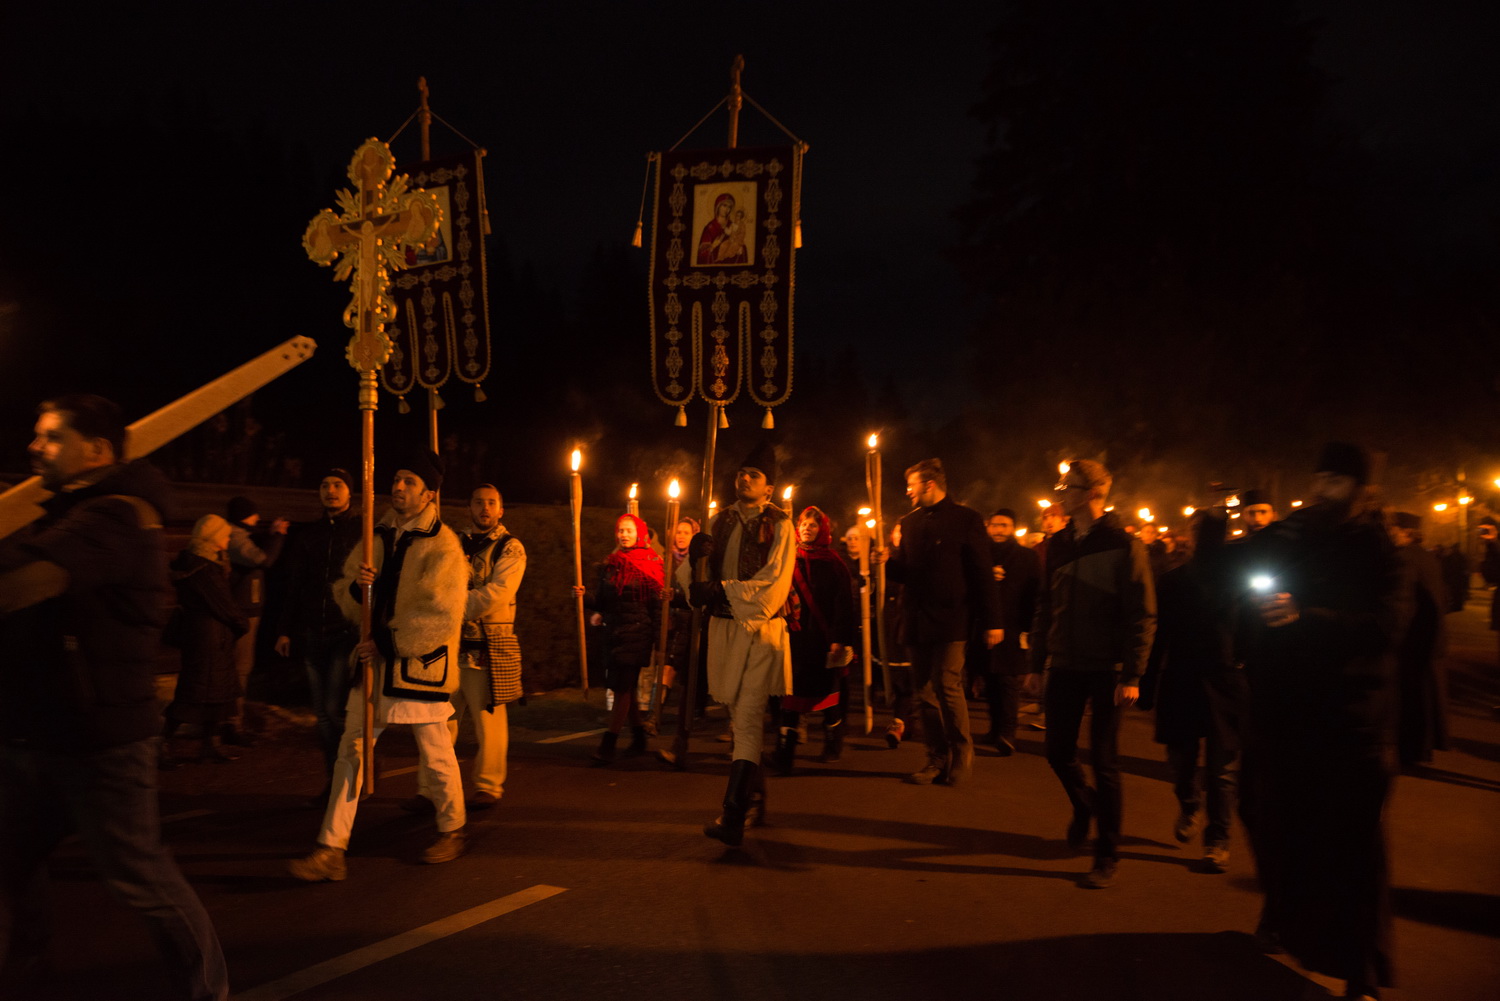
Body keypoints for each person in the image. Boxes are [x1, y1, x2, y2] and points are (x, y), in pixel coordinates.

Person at [0, 394, 228, 1000]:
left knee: (142, 879)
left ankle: (208, 991)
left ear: (97, 450)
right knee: (11, 857)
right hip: (42, 732)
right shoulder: (75, 511)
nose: (34, 446)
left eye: (51, 436)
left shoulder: (117, 518)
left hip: (101, 742)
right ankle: (27, 967)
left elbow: (25, 584)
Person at [1237, 443, 1405, 1000]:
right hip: (1290, 715)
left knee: (1356, 850)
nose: (1323, 488)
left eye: (1336, 480)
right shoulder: (1296, 536)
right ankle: (1288, 922)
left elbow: (1384, 627)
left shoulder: (1381, 549)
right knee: (1276, 822)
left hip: (1354, 720)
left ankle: (1364, 973)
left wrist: (1306, 618)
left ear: (1362, 489)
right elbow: (1241, 584)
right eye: (1320, 477)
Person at [289, 450, 470, 881]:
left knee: (436, 751)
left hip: (417, 666)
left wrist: (387, 643)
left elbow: (440, 613)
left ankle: (453, 827)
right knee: (351, 753)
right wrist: (357, 588)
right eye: (398, 479)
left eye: (410, 481)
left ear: (429, 493)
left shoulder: (443, 544)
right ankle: (331, 848)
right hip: (374, 666)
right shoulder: (377, 533)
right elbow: (347, 593)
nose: (400, 487)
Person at [1028, 459, 1156, 889]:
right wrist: (1036, 663)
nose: (1060, 492)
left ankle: (1108, 854)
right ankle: (1085, 806)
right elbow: (1046, 606)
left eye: (1068, 486)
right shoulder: (1059, 543)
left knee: (1105, 760)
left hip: (1108, 669)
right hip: (1065, 663)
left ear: (1091, 493)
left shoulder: (1123, 544)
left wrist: (1133, 674)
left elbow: (1143, 614)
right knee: (1056, 750)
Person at [683, 443, 796, 846]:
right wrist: (692, 557)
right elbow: (692, 582)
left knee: (747, 719)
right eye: (741, 472)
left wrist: (721, 590)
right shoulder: (718, 520)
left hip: (760, 631)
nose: (744, 478)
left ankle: (732, 814)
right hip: (724, 630)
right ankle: (754, 799)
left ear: (769, 488)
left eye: (754, 474)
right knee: (738, 719)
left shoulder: (781, 525)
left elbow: (774, 585)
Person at [873, 459, 1003, 787]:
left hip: (952, 617)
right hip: (917, 618)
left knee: (946, 684)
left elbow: (981, 572)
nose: (907, 491)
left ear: (929, 484)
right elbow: (907, 572)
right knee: (923, 692)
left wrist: (992, 620)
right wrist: (886, 562)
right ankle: (935, 757)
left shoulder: (967, 519)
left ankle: (962, 752)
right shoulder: (910, 521)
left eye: (912, 484)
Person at [1139, 509, 1245, 873]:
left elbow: (1254, 634)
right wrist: (1146, 683)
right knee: (1182, 762)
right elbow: (1158, 637)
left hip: (1226, 682)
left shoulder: (1241, 582)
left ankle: (1218, 839)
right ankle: (1189, 803)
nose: (1203, 537)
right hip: (1182, 680)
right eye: (1198, 530)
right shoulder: (1174, 580)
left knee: (1222, 771)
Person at [272, 469, 361, 798]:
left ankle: (351, 773)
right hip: (312, 631)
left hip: (344, 631)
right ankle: (334, 778)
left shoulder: (361, 531)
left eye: (338, 485)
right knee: (322, 715)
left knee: (334, 709)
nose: (331, 491)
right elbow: (293, 587)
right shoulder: (309, 536)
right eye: (324, 485)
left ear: (350, 493)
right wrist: (284, 630)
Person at [448, 484, 526, 808]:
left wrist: (452, 605)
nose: (485, 508)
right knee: (440, 718)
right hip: (450, 643)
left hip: (487, 643)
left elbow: (499, 593)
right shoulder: (453, 543)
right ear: (469, 506)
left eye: (491, 503)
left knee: (487, 719)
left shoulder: (511, 548)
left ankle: (488, 785)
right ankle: (433, 786)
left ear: (501, 509)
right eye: (478, 502)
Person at [576, 513, 664, 765]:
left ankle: (608, 745)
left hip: (637, 633)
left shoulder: (651, 562)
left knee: (623, 688)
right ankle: (638, 738)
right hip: (613, 633)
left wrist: (660, 639)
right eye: (620, 530)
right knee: (625, 689)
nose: (623, 535)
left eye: (628, 530)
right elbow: (604, 601)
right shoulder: (611, 564)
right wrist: (586, 597)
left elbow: (658, 606)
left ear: (639, 533)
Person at [774, 506, 857, 773]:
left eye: (813, 525)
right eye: (803, 524)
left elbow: (843, 603)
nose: (807, 529)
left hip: (823, 640)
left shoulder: (833, 563)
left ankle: (833, 744)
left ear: (823, 530)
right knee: (789, 696)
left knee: (827, 696)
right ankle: (784, 754)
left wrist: (838, 638)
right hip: (794, 638)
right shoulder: (786, 558)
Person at [162, 514, 249, 766]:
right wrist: (241, 623)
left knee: (217, 693)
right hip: (208, 638)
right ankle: (160, 744)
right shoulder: (204, 568)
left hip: (210, 637)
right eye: (224, 533)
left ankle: (210, 745)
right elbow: (224, 604)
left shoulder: (202, 562)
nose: (228, 537)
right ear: (212, 537)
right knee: (194, 693)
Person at [223, 495, 287, 745]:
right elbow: (263, 559)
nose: (258, 518)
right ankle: (231, 723)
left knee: (241, 668)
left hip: (248, 609)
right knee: (239, 668)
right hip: (242, 611)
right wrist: (278, 536)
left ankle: (230, 721)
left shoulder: (243, 534)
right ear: (243, 515)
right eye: (253, 514)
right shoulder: (235, 536)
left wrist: (270, 533)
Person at [1388, 511, 1449, 770]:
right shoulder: (1425, 556)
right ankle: (1419, 749)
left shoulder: (1405, 558)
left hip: (1416, 639)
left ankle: (1411, 752)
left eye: (1391, 528)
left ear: (1405, 531)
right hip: (1429, 639)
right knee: (1423, 696)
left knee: (1413, 697)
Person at [978, 508, 1040, 755]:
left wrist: (1029, 628)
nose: (998, 530)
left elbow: (1035, 593)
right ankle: (994, 728)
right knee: (990, 680)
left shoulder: (1027, 557)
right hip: (984, 627)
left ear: (1013, 528)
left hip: (1014, 627)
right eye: (994, 525)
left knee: (1008, 682)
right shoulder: (981, 555)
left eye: (1004, 525)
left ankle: (1008, 733)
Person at [696, 192, 748, 265]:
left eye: (729, 207)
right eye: (724, 205)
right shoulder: (710, 227)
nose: (727, 209)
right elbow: (701, 254)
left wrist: (740, 247)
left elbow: (739, 239)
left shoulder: (732, 225)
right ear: (718, 206)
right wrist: (713, 246)